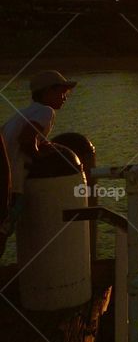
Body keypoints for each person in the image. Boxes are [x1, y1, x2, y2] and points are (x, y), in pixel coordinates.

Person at [0, 70, 78, 251]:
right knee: (4, 229)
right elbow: (27, 138)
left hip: (5, 178)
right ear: (48, 92)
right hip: (14, 184)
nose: (65, 98)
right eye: (62, 93)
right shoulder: (46, 111)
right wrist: (39, 155)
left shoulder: (21, 113)